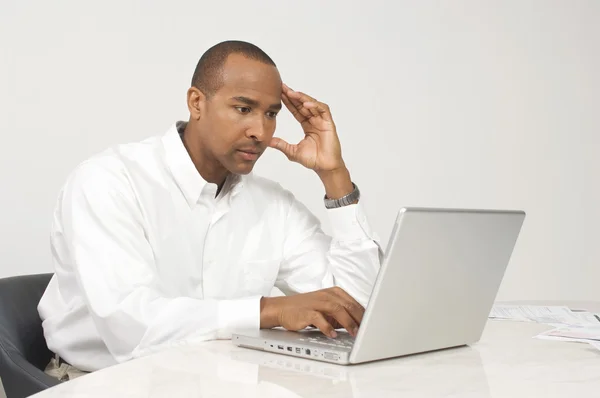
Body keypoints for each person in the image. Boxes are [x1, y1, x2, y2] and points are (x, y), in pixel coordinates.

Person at [37, 40, 382, 378]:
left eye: (271, 114)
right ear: (196, 102)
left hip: (216, 378)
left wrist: (335, 176)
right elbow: (130, 327)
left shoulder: (273, 204)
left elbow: (354, 307)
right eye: (243, 109)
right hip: (100, 380)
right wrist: (270, 310)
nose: (260, 132)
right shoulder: (110, 181)